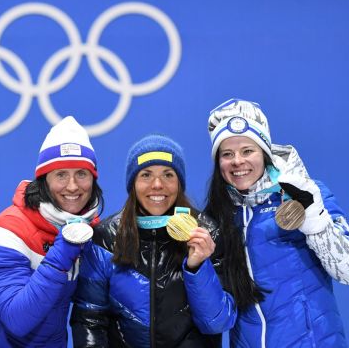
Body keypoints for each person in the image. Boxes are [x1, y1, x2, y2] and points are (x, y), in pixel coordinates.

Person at [204, 98, 349, 347]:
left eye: (248, 151)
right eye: (227, 154)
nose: (237, 161)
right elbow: (219, 315)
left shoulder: (308, 194)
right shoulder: (217, 216)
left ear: (265, 153)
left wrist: (315, 222)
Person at [71, 133, 237, 347]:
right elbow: (89, 320)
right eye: (146, 175)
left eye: (168, 175)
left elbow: (217, 323)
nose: (157, 185)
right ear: (133, 184)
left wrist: (197, 267)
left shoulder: (206, 233)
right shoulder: (106, 237)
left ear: (179, 183)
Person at [0, 116, 105, 347]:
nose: (73, 186)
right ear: (44, 181)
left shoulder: (87, 230)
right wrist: (64, 248)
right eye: (61, 175)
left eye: (81, 174)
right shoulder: (7, 231)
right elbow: (18, 320)